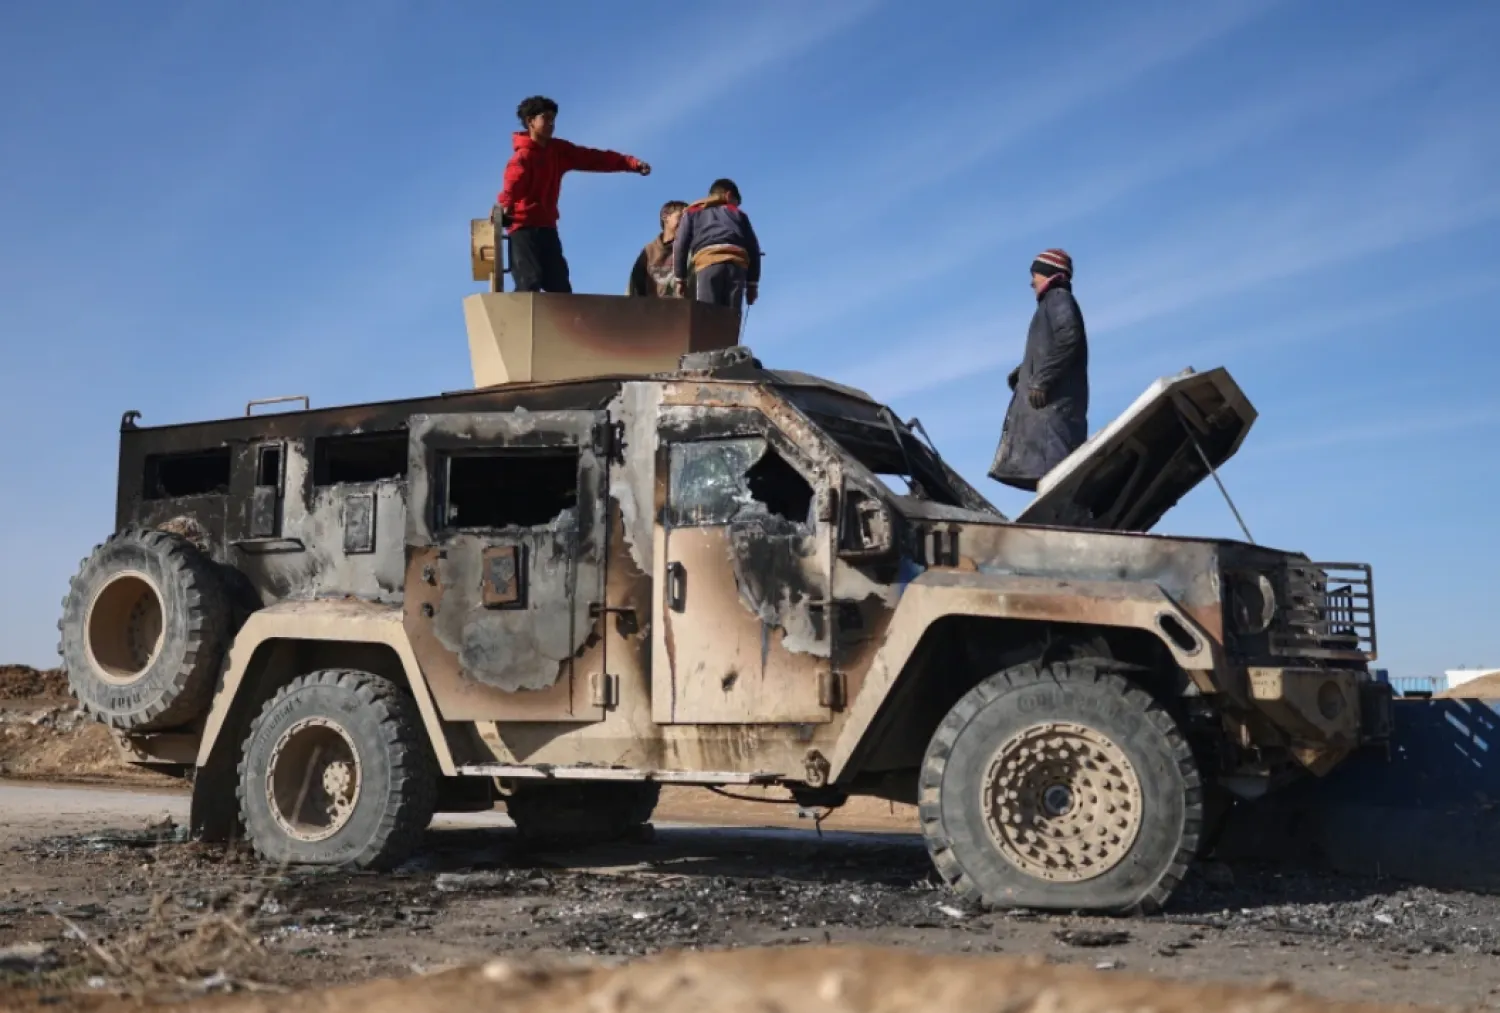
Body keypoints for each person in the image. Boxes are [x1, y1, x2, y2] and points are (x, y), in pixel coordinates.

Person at [494, 95, 652, 293]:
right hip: (523, 227)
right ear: (530, 121)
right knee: (529, 281)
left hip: (547, 227)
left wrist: (630, 163)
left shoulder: (558, 151)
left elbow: (593, 158)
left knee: (559, 285)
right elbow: (512, 186)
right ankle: (519, 312)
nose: (551, 124)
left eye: (553, 119)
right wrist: (505, 206)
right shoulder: (522, 157)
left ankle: (561, 314)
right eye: (546, 118)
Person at [988, 249, 1090, 491]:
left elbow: (1069, 338)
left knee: (1058, 474)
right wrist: (1024, 372)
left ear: (1049, 274)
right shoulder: (1052, 303)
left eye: (1035, 275)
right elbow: (1052, 347)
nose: (1032, 282)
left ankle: (1060, 505)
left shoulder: (1058, 298)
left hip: (1053, 411)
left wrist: (1041, 379)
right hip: (1052, 412)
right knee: (1051, 476)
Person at [673, 178, 761, 311]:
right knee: (731, 318)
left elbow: (680, 244)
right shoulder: (739, 214)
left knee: (708, 316)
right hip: (736, 267)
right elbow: (753, 248)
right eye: (736, 203)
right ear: (728, 195)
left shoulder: (692, 212)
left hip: (708, 264)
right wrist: (752, 285)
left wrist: (680, 279)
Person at [627, 200, 688, 297]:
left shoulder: (690, 249)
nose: (685, 223)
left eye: (688, 219)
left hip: (683, 304)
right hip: (653, 305)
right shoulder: (649, 252)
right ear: (665, 217)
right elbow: (634, 286)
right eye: (681, 217)